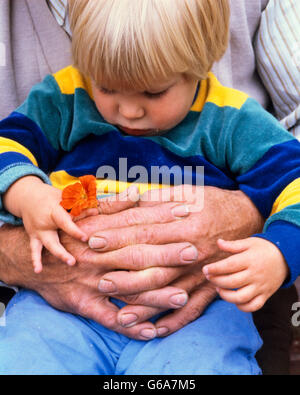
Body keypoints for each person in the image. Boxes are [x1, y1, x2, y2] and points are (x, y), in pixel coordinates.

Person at [1, 0, 300, 375]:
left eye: (153, 93)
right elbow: (7, 143)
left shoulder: (230, 121)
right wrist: (24, 188)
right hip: (59, 308)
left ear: (200, 63)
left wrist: (278, 252)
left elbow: (295, 182)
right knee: (23, 362)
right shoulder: (65, 99)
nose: (128, 111)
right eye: (107, 87)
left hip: (195, 315)